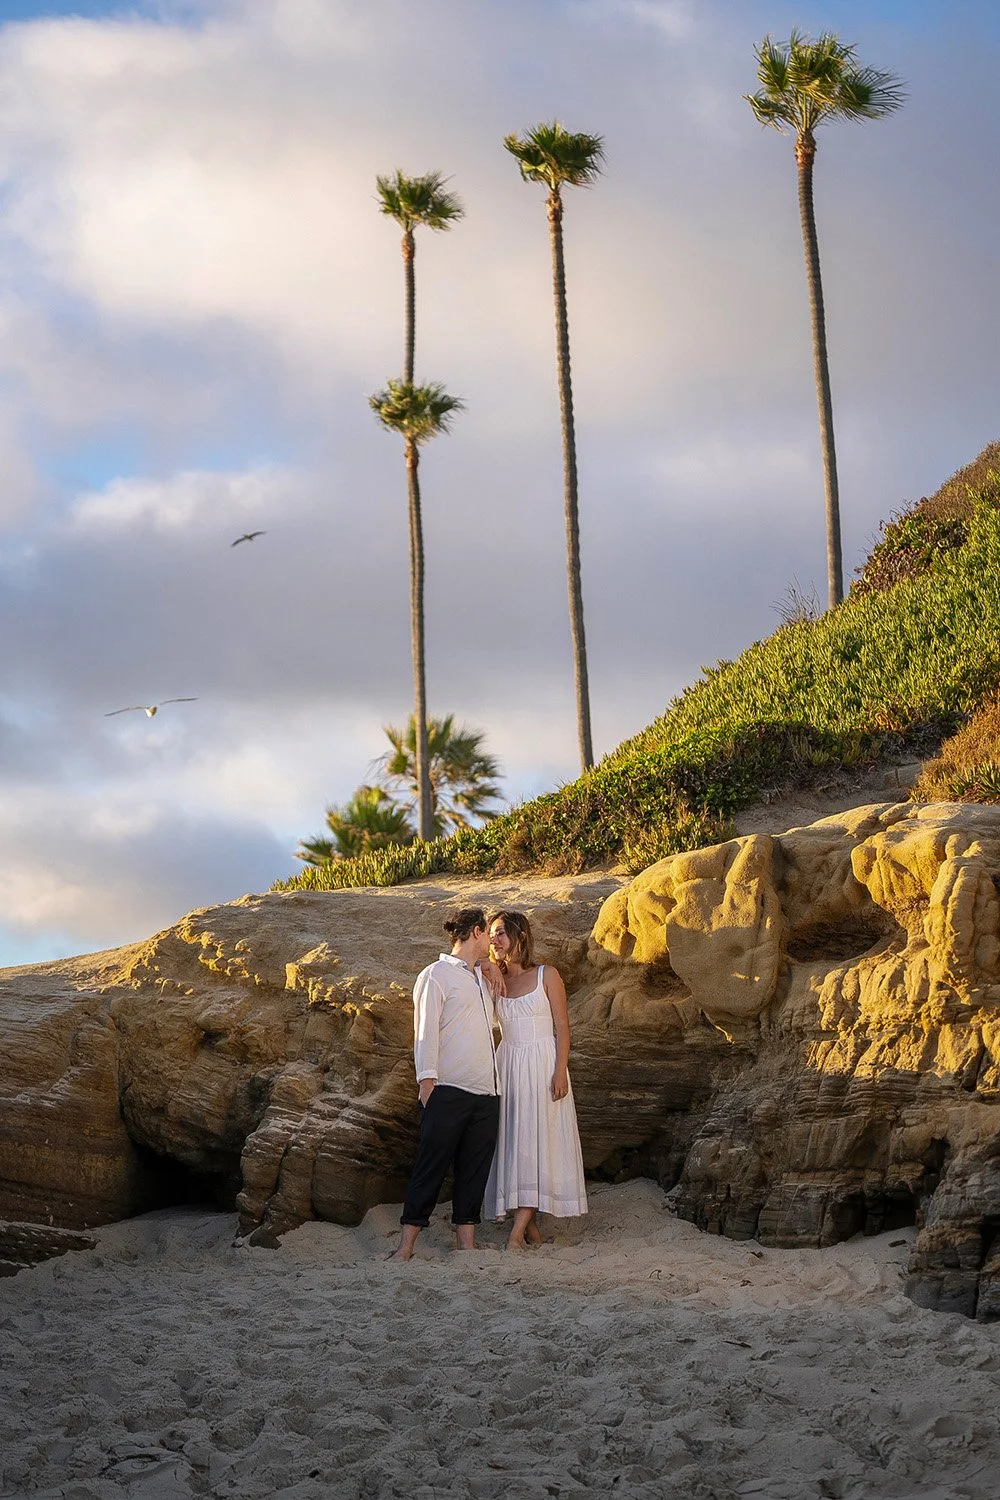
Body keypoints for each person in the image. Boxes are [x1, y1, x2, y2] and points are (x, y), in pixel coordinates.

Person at [390, 908, 501, 1261]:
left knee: (474, 1171)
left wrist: (489, 968)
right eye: (489, 935)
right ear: (478, 932)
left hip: (487, 1093)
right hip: (447, 1090)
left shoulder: (482, 977)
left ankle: (465, 1245)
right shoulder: (434, 975)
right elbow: (424, 1032)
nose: (491, 944)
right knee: (430, 1167)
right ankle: (405, 1248)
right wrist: (427, 1084)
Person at [483, 909, 588, 1250]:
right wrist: (486, 967)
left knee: (537, 1141)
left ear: (519, 936)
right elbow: (464, 971)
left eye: (500, 933)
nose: (494, 940)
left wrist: (560, 1069)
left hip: (542, 1064)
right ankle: (531, 1231)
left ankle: (516, 1235)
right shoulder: (493, 978)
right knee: (515, 1142)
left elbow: (562, 1027)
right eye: (491, 934)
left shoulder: (547, 974)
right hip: (510, 1065)